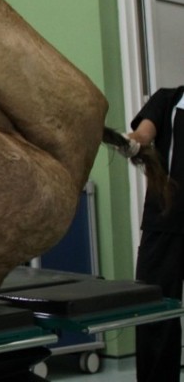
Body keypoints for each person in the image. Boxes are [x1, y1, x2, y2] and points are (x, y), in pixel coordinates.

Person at [127, 86, 184, 382]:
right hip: (164, 223)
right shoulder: (167, 100)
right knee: (155, 311)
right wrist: (134, 142)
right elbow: (144, 133)